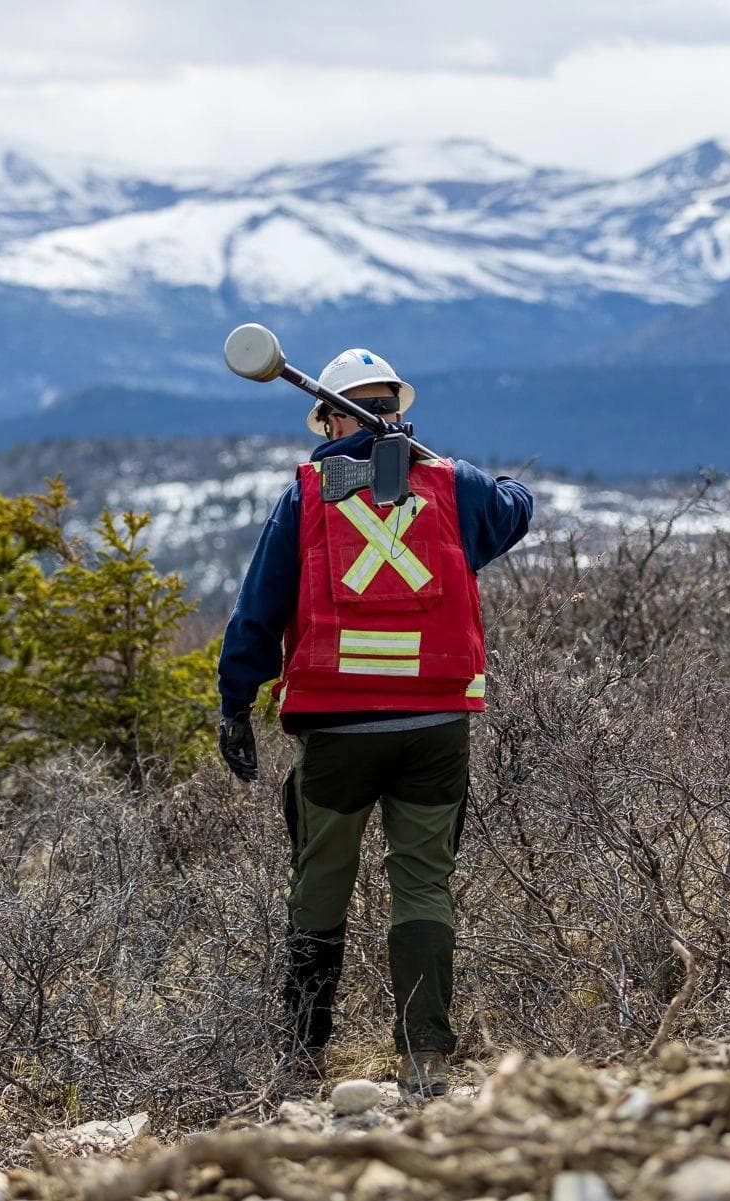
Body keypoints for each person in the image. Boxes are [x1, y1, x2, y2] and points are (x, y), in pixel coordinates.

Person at [216, 346, 533, 1099]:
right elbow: (516, 507)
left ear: (329, 419)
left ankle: (300, 1057)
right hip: (435, 723)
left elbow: (257, 611)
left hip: (338, 728)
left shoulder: (307, 495)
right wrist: (470, 473)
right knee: (423, 883)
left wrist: (235, 702)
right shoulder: (454, 487)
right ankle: (425, 1058)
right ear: (398, 410)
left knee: (319, 885)